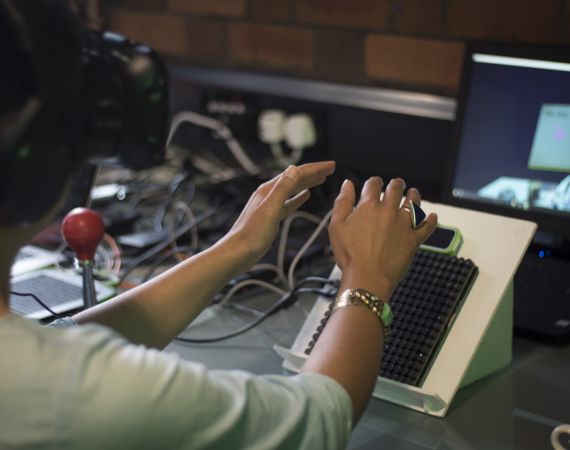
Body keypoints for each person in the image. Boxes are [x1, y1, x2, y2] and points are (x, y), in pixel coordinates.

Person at [0, 1, 437, 449]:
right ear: (39, 169)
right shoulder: (76, 392)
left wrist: (238, 246)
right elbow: (319, 415)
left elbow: (61, 343)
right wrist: (368, 276)